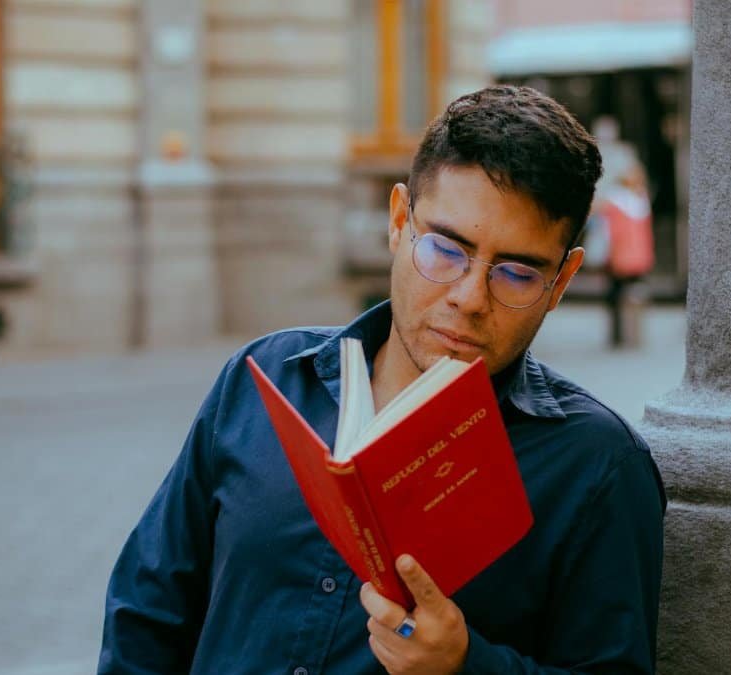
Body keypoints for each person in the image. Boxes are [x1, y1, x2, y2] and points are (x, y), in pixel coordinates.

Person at [99, 85, 666, 674]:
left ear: (563, 281)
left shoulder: (597, 465)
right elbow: (148, 608)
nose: (469, 299)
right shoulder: (263, 379)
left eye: (518, 274)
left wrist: (466, 665)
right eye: (447, 250)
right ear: (400, 222)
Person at [588, 117, 655, 349]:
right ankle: (627, 334)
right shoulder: (637, 199)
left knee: (618, 292)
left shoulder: (617, 198)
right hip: (630, 252)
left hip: (620, 250)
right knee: (626, 291)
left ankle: (621, 334)